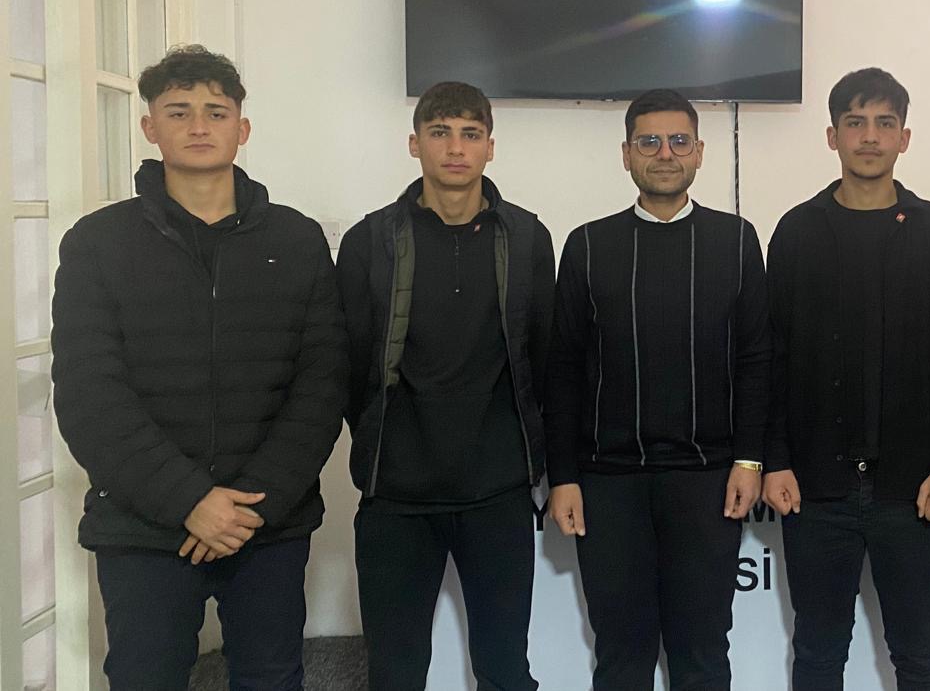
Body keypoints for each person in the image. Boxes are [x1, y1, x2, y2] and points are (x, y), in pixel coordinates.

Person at [52, 44, 346, 690]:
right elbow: (89, 394)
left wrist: (246, 507)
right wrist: (189, 500)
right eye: (178, 111)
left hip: (266, 521)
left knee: (271, 677)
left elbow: (322, 384)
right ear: (150, 127)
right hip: (143, 523)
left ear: (243, 129)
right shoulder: (98, 243)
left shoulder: (296, 240)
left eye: (216, 112)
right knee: (145, 678)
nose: (198, 126)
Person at [763, 68, 930, 690]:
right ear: (832, 136)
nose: (869, 136)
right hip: (816, 488)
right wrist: (775, 459)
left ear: (904, 138)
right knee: (817, 654)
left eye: (885, 123)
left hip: (914, 489)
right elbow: (772, 356)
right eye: (855, 122)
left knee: (920, 656)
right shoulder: (797, 231)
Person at [544, 89, 771, 690]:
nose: (664, 153)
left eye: (678, 141)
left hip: (707, 479)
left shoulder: (736, 240)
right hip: (608, 483)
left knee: (702, 652)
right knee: (621, 653)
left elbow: (755, 360)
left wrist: (750, 459)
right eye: (649, 141)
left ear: (699, 152)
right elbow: (562, 370)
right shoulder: (587, 245)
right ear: (626, 154)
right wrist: (563, 475)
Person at [339, 81, 552, 690]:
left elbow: (543, 357)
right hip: (396, 496)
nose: (455, 148)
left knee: (505, 669)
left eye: (470, 134)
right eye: (440, 133)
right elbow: (348, 366)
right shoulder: (369, 241)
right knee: (396, 672)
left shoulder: (528, 238)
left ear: (490, 147)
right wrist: (382, 443)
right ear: (415, 144)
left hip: (497, 491)